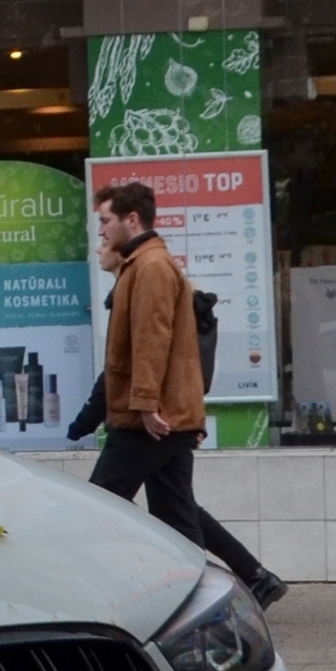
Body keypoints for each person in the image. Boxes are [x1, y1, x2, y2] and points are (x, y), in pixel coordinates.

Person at [85, 182, 286, 607]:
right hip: (162, 415)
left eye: (105, 221)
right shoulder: (143, 265)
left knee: (98, 505)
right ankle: (223, 595)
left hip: (148, 419)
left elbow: (151, 341)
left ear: (131, 219)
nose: (100, 231)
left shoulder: (151, 267)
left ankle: (98, 596)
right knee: (176, 515)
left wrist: (144, 405)